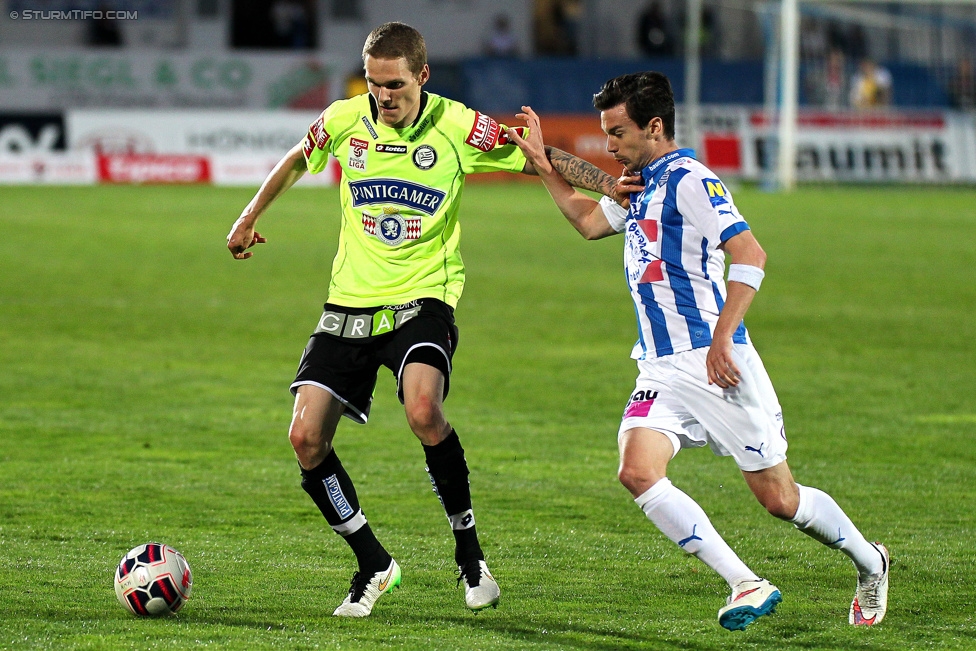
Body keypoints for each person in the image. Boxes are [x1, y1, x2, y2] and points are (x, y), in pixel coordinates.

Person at [226, 21, 611, 618]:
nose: (385, 97)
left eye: (397, 85)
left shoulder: (458, 125)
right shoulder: (345, 119)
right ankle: (373, 563)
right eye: (376, 85)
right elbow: (298, 158)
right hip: (349, 300)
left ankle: (469, 554)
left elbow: (539, 158)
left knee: (423, 410)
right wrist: (247, 215)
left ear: (423, 76)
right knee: (304, 439)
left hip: (423, 296)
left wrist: (616, 186)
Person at [505, 71, 889, 630]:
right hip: (659, 365)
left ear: (654, 126)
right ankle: (746, 583)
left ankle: (868, 559)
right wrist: (543, 165)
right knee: (636, 471)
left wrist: (721, 339)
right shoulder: (638, 183)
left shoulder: (690, 180)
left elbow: (751, 254)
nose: (609, 146)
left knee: (780, 500)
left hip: (715, 362)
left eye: (617, 132)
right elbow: (589, 223)